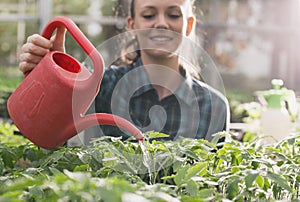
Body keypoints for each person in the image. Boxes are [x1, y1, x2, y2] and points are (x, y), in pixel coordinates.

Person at [18, 0, 230, 143]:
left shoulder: (214, 107)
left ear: (189, 25)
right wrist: (55, 84)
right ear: (132, 25)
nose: (162, 23)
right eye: (148, 15)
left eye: (174, 14)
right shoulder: (100, 87)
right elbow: (50, 141)